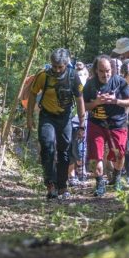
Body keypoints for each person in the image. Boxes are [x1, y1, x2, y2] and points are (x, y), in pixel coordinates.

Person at [26, 48, 85, 201]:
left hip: (65, 117)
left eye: (60, 67)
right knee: (47, 146)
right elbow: (32, 94)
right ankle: (51, 184)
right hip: (47, 116)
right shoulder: (43, 75)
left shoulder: (73, 77)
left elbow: (80, 100)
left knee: (64, 150)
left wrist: (82, 124)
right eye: (55, 66)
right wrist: (30, 117)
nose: (57, 70)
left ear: (66, 64)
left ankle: (62, 184)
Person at [83, 55, 129, 197]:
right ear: (96, 71)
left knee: (119, 154)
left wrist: (115, 101)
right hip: (96, 123)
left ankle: (116, 178)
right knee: (95, 155)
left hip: (117, 123)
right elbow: (84, 106)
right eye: (102, 71)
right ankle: (99, 183)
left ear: (112, 69)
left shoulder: (120, 82)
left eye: (108, 70)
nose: (105, 74)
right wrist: (96, 102)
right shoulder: (90, 85)